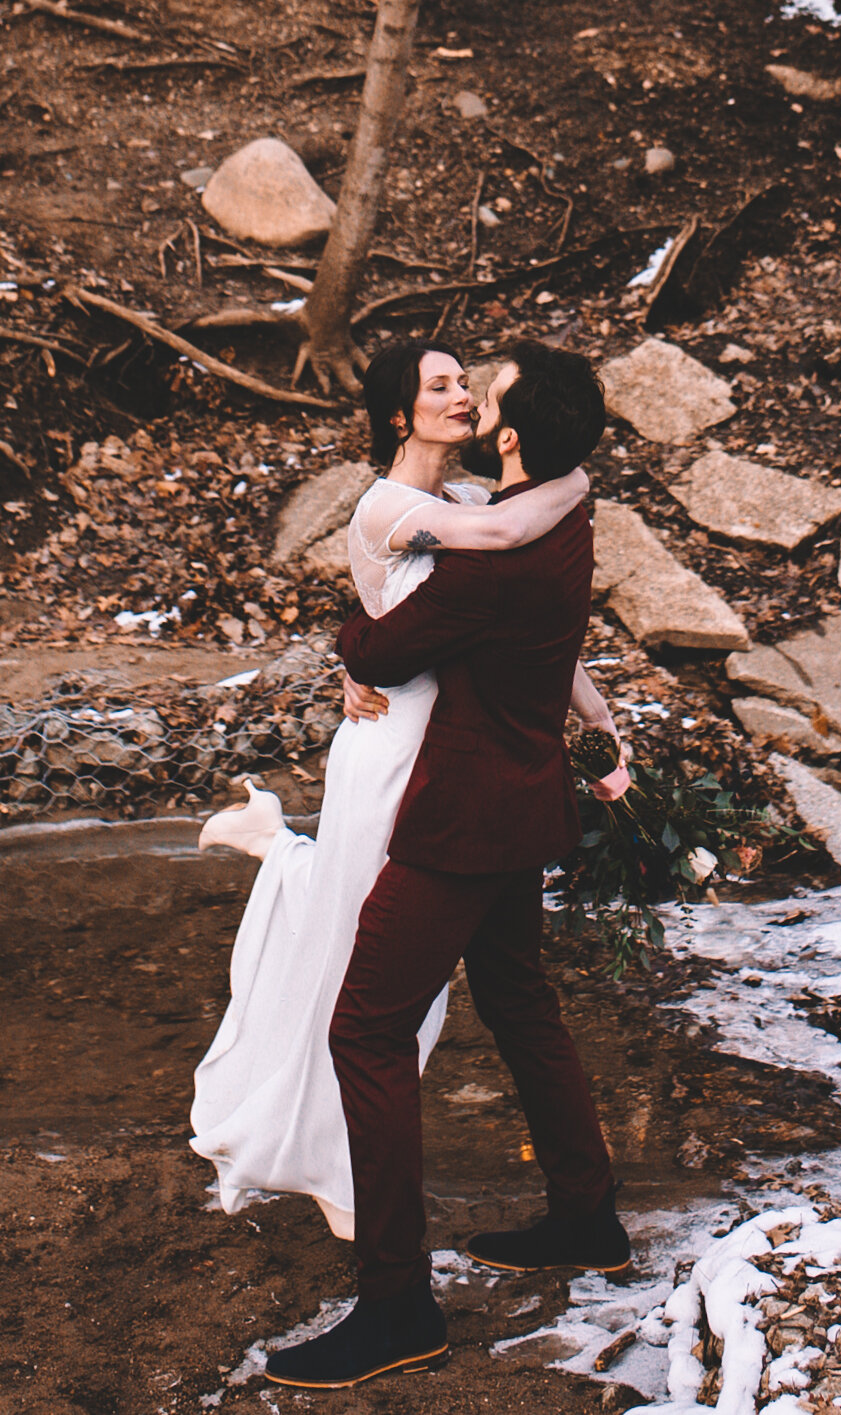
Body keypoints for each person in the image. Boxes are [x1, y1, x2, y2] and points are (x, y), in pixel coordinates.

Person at [264, 340, 631, 1393]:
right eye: (450, 384)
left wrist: (349, 648)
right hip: (523, 798)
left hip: (463, 818)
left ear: (508, 435)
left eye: (487, 390)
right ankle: (584, 1211)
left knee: (364, 1029)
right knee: (519, 999)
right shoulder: (560, 508)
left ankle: (396, 1303)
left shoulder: (489, 555)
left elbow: (379, 652)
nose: (469, 394)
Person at [190, 339, 618, 1241]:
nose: (462, 396)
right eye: (441, 386)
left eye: (470, 383)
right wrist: (356, 650)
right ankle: (335, 1172)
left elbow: (537, 621)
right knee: (351, 953)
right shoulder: (401, 507)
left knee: (423, 998)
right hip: (399, 758)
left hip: (460, 771)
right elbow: (501, 554)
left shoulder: (474, 498)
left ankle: (415, 1252)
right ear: (399, 414)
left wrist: (603, 724)